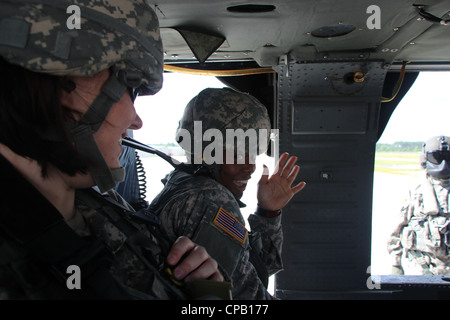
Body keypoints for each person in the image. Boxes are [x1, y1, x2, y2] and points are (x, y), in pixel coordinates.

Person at [0, 0, 226, 300]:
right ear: (67, 85)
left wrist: (206, 290)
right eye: (130, 91)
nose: (136, 120)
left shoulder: (97, 208)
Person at [149, 87, 306, 299]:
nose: (250, 167)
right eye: (240, 153)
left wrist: (268, 213)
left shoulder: (181, 183)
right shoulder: (207, 199)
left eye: (253, 153)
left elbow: (254, 272)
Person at [387, 136, 450, 275]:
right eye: (437, 157)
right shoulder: (416, 192)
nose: (443, 163)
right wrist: (396, 264)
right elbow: (397, 229)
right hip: (422, 269)